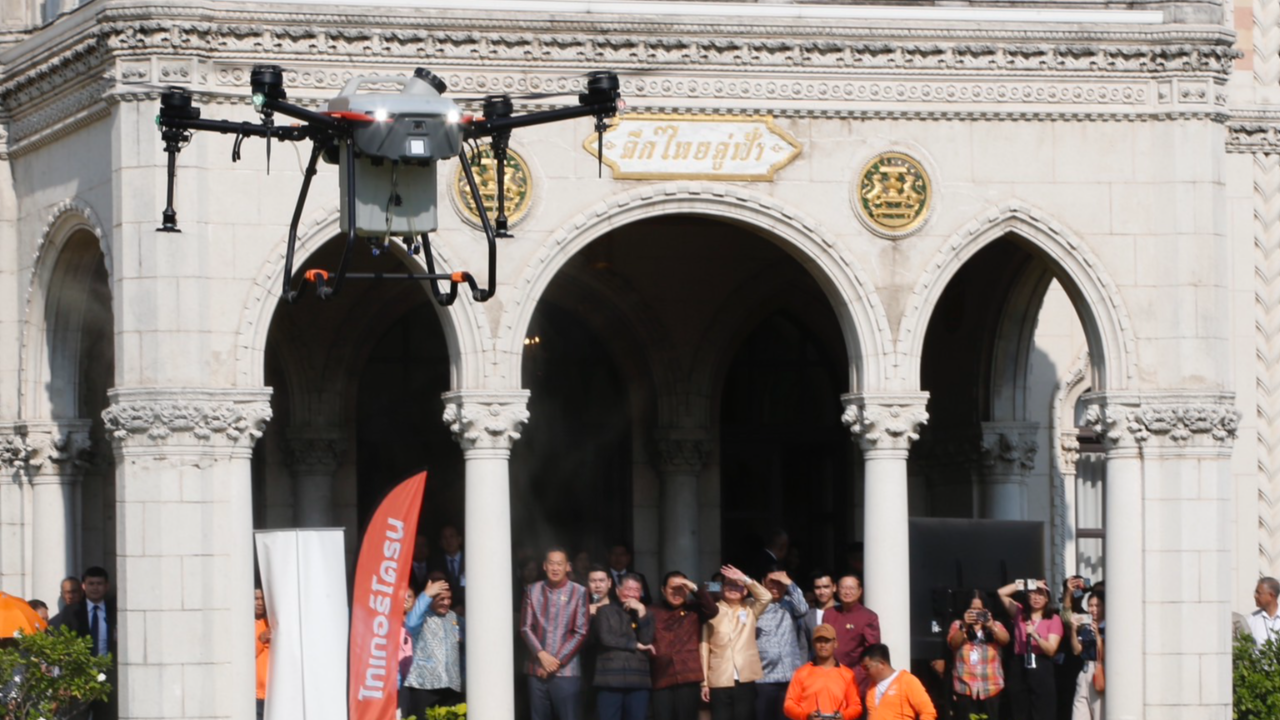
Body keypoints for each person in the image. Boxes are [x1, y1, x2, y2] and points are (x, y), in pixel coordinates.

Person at [521, 547, 590, 720]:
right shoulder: (532, 590)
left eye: (560, 564)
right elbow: (525, 627)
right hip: (536, 668)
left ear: (568, 566)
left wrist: (555, 662)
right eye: (551, 563)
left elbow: (581, 631)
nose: (555, 568)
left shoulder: (579, 591)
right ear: (544, 566)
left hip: (566, 671)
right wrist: (542, 655)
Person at [700, 564, 772, 720]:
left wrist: (744, 579)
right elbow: (704, 649)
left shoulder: (750, 608)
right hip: (719, 678)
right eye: (729, 584)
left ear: (745, 591)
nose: (733, 588)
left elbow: (766, 597)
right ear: (722, 588)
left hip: (745, 677)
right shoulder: (712, 611)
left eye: (737, 585)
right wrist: (704, 683)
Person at [649, 571, 718, 720]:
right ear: (663, 590)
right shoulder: (653, 611)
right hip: (661, 676)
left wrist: (694, 588)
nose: (677, 593)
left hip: (688, 676)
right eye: (672, 589)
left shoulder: (694, 609)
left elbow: (713, 610)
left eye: (682, 588)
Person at [51, 566, 117, 720]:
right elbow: (64, 644)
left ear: (106, 586)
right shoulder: (72, 611)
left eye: (99, 584)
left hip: (108, 676)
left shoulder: (115, 610)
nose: (95, 588)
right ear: (84, 586)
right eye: (91, 584)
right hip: (80, 677)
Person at [593, 574, 655, 720]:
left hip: (638, 679)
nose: (632, 594)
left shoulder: (647, 614)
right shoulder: (604, 611)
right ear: (617, 590)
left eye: (636, 590)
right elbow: (606, 638)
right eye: (628, 589)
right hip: (610, 678)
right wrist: (634, 644)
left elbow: (646, 640)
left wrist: (641, 612)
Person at [997, 580, 1062, 720]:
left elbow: (1051, 650)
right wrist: (1028, 583)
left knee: (1043, 711)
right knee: (1020, 710)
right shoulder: (1020, 612)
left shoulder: (1053, 618)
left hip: (1041, 664)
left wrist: (1035, 636)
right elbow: (1001, 593)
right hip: (1019, 663)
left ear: (1047, 598)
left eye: (1041, 594)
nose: (1036, 598)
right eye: (1033, 594)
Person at [404, 575, 464, 712]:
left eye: (449, 598)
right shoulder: (421, 615)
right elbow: (410, 624)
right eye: (441, 599)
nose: (446, 602)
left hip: (451, 687)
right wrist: (426, 595)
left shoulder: (454, 617)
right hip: (423, 686)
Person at [946, 591, 1008, 720]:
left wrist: (991, 626)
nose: (976, 613)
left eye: (979, 609)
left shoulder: (995, 625)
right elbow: (953, 643)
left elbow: (1005, 640)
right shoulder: (958, 625)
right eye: (973, 609)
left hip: (991, 687)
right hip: (965, 687)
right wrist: (964, 626)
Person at [755, 569, 809, 720]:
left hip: (790, 676)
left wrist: (790, 583)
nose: (775, 586)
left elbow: (803, 609)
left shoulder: (790, 604)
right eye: (771, 582)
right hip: (764, 677)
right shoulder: (755, 605)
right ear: (763, 582)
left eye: (779, 583)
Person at [783, 624, 862, 720]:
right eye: (819, 641)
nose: (823, 645)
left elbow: (856, 706)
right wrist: (806, 716)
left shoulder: (848, 674)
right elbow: (789, 705)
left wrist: (844, 716)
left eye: (827, 641)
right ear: (813, 644)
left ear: (835, 643)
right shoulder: (801, 673)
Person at [827, 574, 880, 697]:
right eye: (843, 588)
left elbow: (872, 652)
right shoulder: (829, 614)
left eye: (851, 588)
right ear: (837, 589)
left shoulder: (868, 617)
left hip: (856, 679)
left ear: (860, 591)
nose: (847, 592)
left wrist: (854, 675)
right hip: (830, 677)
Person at [860, 643, 937, 720]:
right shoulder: (871, 688)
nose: (864, 672)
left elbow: (928, 712)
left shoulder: (907, 681)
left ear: (881, 664)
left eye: (867, 668)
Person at [1069, 591, 1105, 720]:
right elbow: (1076, 650)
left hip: (1099, 670)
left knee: (1099, 713)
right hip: (1084, 670)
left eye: (1097, 605)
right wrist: (1073, 630)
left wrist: (1098, 636)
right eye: (1091, 605)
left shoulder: (1108, 627)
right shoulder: (1086, 628)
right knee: (1079, 713)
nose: (1094, 609)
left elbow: (1104, 654)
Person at [802, 572, 837, 659]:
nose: (822, 592)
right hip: (814, 665)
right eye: (818, 588)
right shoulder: (807, 617)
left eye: (826, 587)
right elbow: (803, 649)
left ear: (834, 587)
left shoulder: (844, 611)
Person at [434, 525, 466, 610]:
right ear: (440, 543)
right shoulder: (435, 563)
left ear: (459, 539)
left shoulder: (470, 560)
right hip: (446, 610)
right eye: (444, 538)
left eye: (451, 536)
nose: (448, 541)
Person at [1247, 576, 1280, 646]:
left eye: (1259, 593)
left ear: (1271, 595)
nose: (1255, 596)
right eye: (1255, 593)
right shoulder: (1252, 619)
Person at [254, 588, 270, 720]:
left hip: (275, 694)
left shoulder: (272, 622)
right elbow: (242, 656)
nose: (260, 603)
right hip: (255, 697)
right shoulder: (243, 625)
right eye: (256, 599)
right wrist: (261, 639)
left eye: (262, 599)